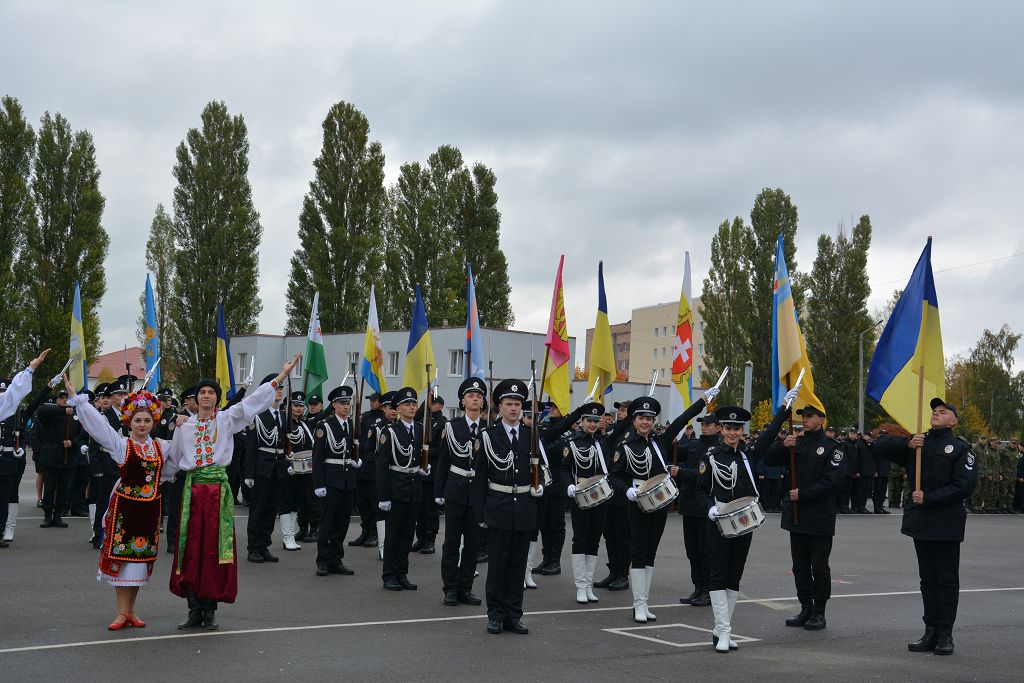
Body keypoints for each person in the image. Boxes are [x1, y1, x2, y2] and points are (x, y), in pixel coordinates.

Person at [170, 354, 300, 631]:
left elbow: (253, 402)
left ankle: (210, 610)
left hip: (217, 494)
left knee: (214, 549)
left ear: (217, 399)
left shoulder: (226, 419)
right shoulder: (184, 426)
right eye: (202, 392)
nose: (206, 396)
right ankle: (193, 608)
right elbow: (173, 460)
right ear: (195, 398)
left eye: (211, 392)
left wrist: (281, 376)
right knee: (191, 549)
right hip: (192, 493)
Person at [67, 377, 181, 630]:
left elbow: (176, 461)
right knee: (123, 560)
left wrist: (183, 423)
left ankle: (131, 610)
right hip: (125, 511)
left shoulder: (162, 447)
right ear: (130, 421)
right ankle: (121, 612)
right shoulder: (122, 445)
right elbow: (100, 428)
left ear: (153, 422)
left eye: (147, 420)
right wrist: (80, 402)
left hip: (149, 511)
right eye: (138, 420)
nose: (142, 425)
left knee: (139, 563)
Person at [872, 398, 976, 656]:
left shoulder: (960, 448)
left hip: (946, 523)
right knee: (927, 580)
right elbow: (878, 446)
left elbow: (964, 485)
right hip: (922, 523)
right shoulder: (919, 443)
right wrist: (906, 442)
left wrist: (929, 498)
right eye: (934, 411)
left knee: (946, 580)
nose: (936, 414)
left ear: (954, 420)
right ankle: (930, 631)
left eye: (943, 412)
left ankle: (945, 634)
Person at [698, 395, 793, 652]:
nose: (733, 433)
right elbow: (699, 489)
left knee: (735, 575)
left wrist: (784, 409)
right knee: (718, 573)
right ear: (721, 429)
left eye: (737, 429)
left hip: (742, 520)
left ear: (742, 431)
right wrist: (709, 508)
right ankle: (724, 631)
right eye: (728, 428)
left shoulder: (748, 455)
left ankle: (722, 630)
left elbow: (770, 435)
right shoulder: (711, 455)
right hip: (719, 520)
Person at [609, 390, 712, 624]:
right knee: (638, 551)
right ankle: (638, 604)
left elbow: (681, 420)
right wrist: (627, 490)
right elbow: (613, 476)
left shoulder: (660, 441)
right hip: (637, 501)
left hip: (659, 502)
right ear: (634, 420)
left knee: (650, 552)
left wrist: (702, 401)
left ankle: (645, 602)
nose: (645, 422)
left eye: (649, 418)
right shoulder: (625, 446)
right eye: (641, 418)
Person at [764, 405, 844, 630]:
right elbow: (768, 460)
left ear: (821, 419)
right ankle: (805, 607)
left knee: (819, 566)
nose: (805, 420)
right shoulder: (796, 443)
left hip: (819, 516)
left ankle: (819, 611)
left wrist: (804, 494)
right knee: (799, 566)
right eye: (803, 417)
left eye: (810, 416)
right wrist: (782, 445)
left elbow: (833, 482)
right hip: (797, 516)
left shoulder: (833, 448)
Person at [473, 379, 542, 635]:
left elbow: (540, 468)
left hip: (523, 507)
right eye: (509, 404)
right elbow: (480, 478)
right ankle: (495, 615)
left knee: (517, 565)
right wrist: (480, 513)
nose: (514, 409)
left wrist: (540, 486)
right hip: (498, 507)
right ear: (499, 407)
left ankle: (514, 615)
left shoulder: (531, 435)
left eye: (517, 405)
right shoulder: (488, 436)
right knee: (497, 566)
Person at [550, 401, 613, 604]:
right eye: (589, 421)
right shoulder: (572, 442)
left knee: (594, 539)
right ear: (582, 421)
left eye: (595, 421)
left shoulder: (603, 442)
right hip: (581, 493)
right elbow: (563, 468)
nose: (592, 424)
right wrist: (569, 485)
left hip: (600, 495)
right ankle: (580, 586)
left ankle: (588, 585)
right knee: (580, 538)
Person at [434, 378, 486, 606]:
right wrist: (439, 490)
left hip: (478, 493)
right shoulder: (451, 427)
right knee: (452, 543)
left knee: (473, 545)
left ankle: (465, 588)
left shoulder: (489, 429)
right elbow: (443, 461)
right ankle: (450, 589)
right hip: (455, 489)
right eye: (471, 396)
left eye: (479, 396)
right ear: (462, 401)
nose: (475, 399)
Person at [376, 387, 430, 591]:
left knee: (407, 535)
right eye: (407, 404)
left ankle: (402, 573)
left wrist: (424, 468)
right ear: (398, 409)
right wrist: (383, 496)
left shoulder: (420, 429)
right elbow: (382, 466)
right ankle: (389, 575)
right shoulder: (389, 431)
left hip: (414, 489)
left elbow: (419, 457)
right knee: (393, 535)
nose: (412, 407)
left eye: (414, 404)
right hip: (396, 489)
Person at [0, 356, 52, 546]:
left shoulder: (17, 414)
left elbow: (35, 403)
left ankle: (8, 528)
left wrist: (48, 387)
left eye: (5, 391)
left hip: (13, 459)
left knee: (9, 494)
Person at [312, 385, 359, 576]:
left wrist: (356, 460)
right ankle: (323, 561)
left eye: (348, 403)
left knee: (342, 523)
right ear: (334, 405)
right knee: (327, 522)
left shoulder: (351, 425)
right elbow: (317, 457)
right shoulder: (324, 425)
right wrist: (318, 484)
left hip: (347, 480)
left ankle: (336, 559)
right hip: (331, 480)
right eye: (342, 403)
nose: (346, 406)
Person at [676, 413, 721, 607]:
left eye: (709, 424)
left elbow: (705, 475)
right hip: (689, 504)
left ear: (718, 428)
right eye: (702, 423)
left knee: (705, 550)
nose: (704, 427)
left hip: (705, 505)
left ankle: (708, 590)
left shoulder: (719, 448)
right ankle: (698, 587)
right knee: (692, 550)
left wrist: (682, 472)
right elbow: (677, 453)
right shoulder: (694, 444)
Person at [594, 399, 633, 592]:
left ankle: (622, 574)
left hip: (624, 491)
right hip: (608, 490)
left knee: (623, 536)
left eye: (625, 410)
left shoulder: (632, 433)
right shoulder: (611, 430)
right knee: (609, 535)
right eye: (620, 410)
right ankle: (613, 571)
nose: (621, 413)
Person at [279, 390, 314, 551]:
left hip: (303, 469)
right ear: (288, 406)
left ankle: (291, 535)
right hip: (288, 469)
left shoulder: (303, 424)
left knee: (296, 502)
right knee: (286, 502)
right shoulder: (283, 423)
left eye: (301, 405)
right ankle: (287, 536)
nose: (298, 408)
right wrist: (285, 464)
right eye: (295, 405)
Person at [351, 392, 385, 548]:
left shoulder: (383, 420)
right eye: (370, 400)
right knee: (362, 502)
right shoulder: (363, 417)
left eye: (375, 400)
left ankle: (374, 533)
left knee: (374, 502)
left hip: (374, 466)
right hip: (361, 465)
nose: (372, 402)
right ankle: (365, 532)